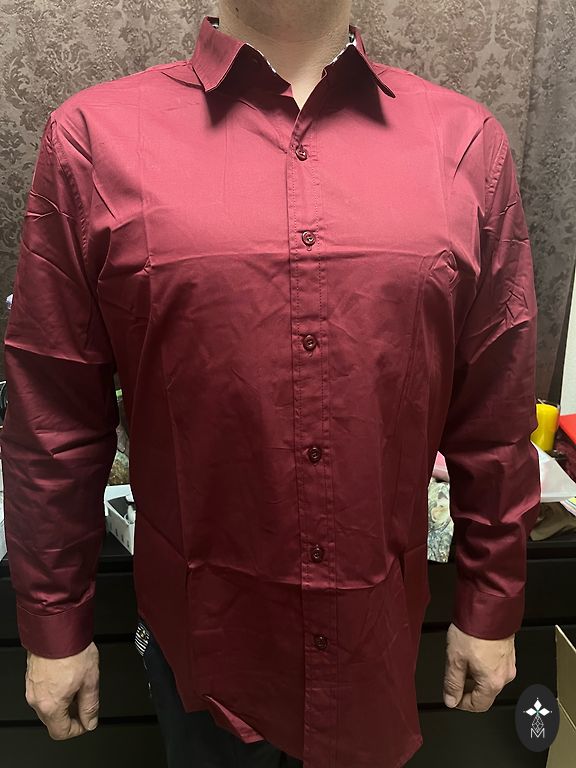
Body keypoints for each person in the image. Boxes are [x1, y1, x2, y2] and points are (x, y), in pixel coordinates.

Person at [1, 1, 542, 767]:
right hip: (204, 653)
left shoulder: (465, 144)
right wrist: (54, 627)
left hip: (376, 641)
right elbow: (53, 416)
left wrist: (491, 605)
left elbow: (495, 406)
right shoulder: (93, 140)